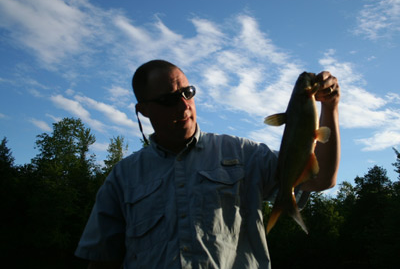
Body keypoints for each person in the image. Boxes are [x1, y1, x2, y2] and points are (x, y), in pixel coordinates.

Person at [75, 60, 340, 269]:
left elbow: (321, 179)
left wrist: (331, 108)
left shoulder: (245, 154)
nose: (183, 106)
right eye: (168, 99)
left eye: (187, 92)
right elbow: (101, 259)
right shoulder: (123, 177)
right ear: (143, 110)